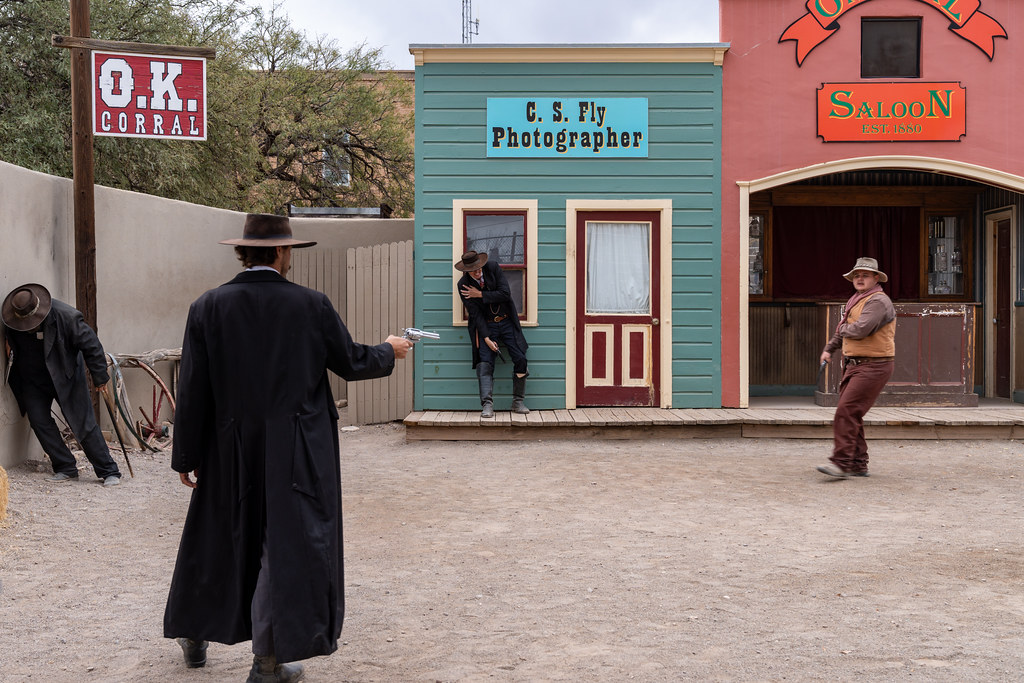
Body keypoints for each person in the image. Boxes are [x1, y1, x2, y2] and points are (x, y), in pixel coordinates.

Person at [163, 213, 414, 682]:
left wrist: (187, 455)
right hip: (296, 449)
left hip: (229, 445)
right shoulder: (310, 305)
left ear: (243, 251)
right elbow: (350, 361)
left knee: (213, 536)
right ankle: (267, 661)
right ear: (281, 252)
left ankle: (192, 635)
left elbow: (193, 387)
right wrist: (389, 349)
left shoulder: (207, 306)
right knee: (279, 546)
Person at [2, 284, 122, 486]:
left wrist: (100, 377)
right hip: (33, 380)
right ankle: (65, 467)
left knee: (82, 422)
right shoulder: (14, 319)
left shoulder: (67, 316)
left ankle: (108, 470)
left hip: (66, 375)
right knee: (39, 421)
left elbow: (91, 345)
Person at [817, 257, 896, 479]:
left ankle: (841, 463)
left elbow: (860, 329)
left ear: (876, 278)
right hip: (856, 364)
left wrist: (841, 331)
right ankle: (858, 463)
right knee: (852, 413)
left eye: (865, 275)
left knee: (847, 411)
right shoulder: (858, 299)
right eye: (857, 276)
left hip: (874, 365)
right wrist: (829, 349)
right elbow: (845, 328)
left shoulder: (878, 301)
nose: (860, 279)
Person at [455, 250, 530, 418]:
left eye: (479, 268)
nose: (477, 271)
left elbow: (505, 293)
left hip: (506, 321)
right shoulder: (463, 285)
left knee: (520, 358)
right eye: (473, 270)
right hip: (486, 326)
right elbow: (475, 314)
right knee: (484, 363)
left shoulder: (493, 268)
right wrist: (487, 338)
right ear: (466, 270)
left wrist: (480, 294)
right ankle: (487, 405)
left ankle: (518, 402)